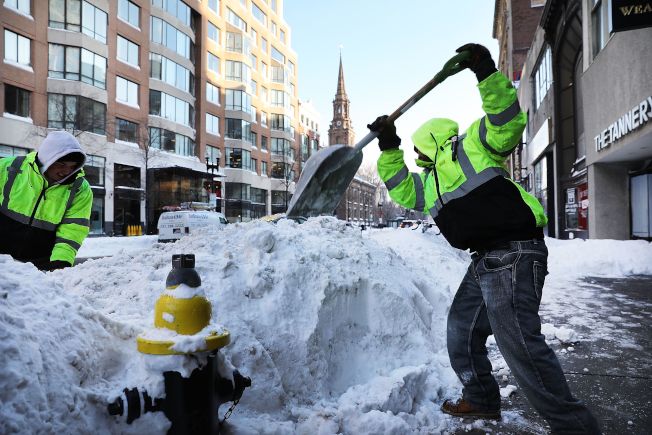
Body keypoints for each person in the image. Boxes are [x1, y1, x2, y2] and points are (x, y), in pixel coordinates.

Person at [368, 44, 601, 434]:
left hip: (514, 253)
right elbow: (402, 192)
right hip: (486, 261)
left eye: (413, 149)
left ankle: (575, 427)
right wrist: (390, 146)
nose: (416, 155)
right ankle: (480, 398)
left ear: (430, 143)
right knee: (461, 329)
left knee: (520, 346)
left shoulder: (471, 144)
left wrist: (486, 73)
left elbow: (507, 123)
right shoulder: (431, 183)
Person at [0, 130, 93, 271]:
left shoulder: (80, 189)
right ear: (47, 157)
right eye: (61, 163)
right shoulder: (8, 168)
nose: (67, 171)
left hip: (40, 267)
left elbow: (73, 230)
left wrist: (61, 263)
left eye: (72, 166)